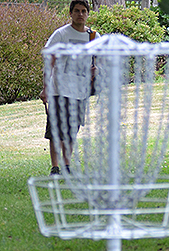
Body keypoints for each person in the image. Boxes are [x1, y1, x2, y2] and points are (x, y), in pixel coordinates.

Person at [40, 0, 100, 176]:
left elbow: (103, 60)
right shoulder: (60, 34)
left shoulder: (94, 37)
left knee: (73, 130)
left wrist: (97, 70)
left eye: (83, 11)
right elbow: (48, 60)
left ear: (88, 14)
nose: (80, 14)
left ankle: (67, 166)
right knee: (55, 130)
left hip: (80, 92)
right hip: (59, 89)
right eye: (76, 11)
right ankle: (55, 167)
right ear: (71, 13)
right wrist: (45, 88)